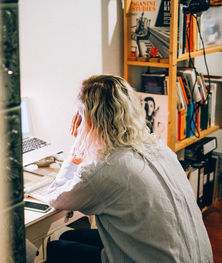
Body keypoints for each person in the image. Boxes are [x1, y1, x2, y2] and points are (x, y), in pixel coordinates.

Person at [46, 75, 213, 263]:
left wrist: (77, 148)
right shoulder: (158, 148)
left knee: (56, 248)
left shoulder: (106, 167)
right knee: (70, 237)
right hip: (198, 258)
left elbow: (55, 198)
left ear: (91, 119)